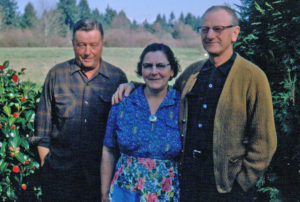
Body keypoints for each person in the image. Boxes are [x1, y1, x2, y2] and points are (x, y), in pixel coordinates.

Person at [111, 6, 277, 202]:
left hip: (227, 188)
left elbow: (264, 142)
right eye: (205, 29)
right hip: (189, 182)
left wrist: (241, 182)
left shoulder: (253, 77)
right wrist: (133, 85)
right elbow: (164, 91)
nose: (210, 35)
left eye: (218, 29)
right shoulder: (193, 73)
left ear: (235, 33)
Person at [34, 18, 127, 201]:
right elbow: (42, 132)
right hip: (60, 180)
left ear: (103, 44)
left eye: (93, 45)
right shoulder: (56, 75)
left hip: (99, 180)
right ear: (72, 44)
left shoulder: (117, 78)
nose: (87, 52)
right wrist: (48, 167)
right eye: (81, 45)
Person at [101, 43, 181, 202]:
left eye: (160, 66)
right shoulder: (123, 101)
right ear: (141, 70)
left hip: (166, 193)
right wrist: (104, 195)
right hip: (125, 192)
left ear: (172, 71)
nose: (154, 72)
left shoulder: (182, 104)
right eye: (148, 66)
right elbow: (108, 149)